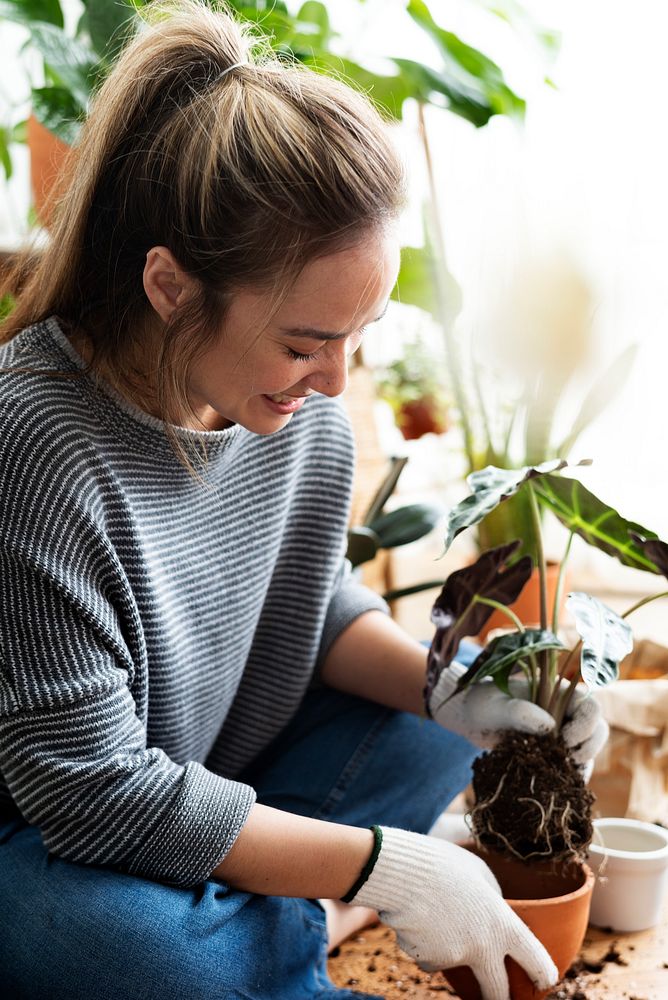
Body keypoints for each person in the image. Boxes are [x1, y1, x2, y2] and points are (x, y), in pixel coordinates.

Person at [0, 3, 607, 998]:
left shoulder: (291, 412)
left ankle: (273, 910)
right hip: (51, 835)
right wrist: (382, 866)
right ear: (169, 287)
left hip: (214, 774)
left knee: (435, 741)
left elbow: (299, 605)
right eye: (303, 341)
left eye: (358, 333)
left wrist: (460, 691)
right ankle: (304, 919)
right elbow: (94, 796)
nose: (335, 381)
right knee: (127, 954)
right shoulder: (33, 445)